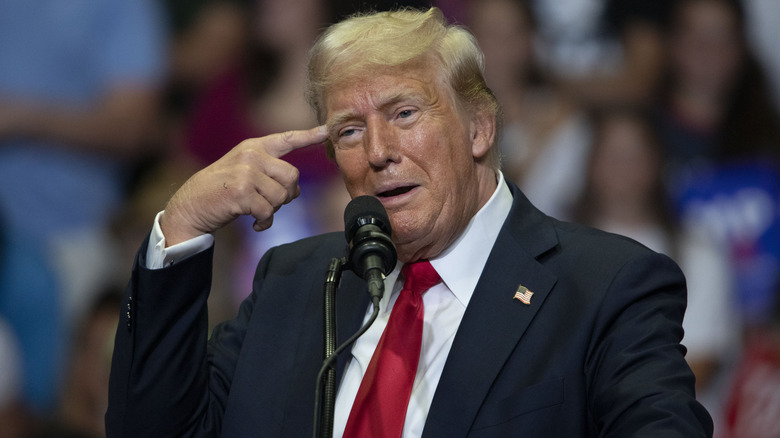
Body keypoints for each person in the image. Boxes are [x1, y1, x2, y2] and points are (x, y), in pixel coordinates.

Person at [106, 7, 712, 437]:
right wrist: (182, 224)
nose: (376, 151)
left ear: (479, 127)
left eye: (403, 113)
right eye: (349, 129)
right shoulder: (293, 282)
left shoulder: (604, 287)